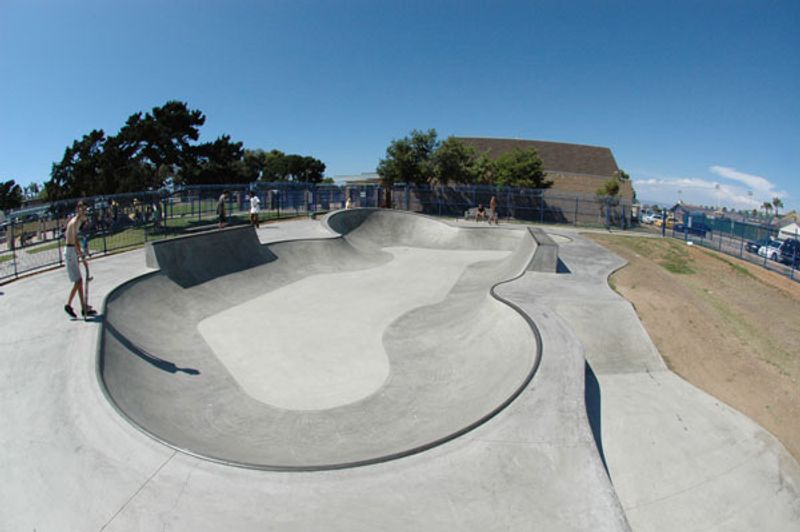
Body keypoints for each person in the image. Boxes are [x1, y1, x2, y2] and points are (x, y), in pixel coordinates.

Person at [63, 202, 96, 319]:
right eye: (82, 210)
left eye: (85, 210)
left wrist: (81, 255)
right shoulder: (74, 222)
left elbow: (76, 240)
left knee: (80, 281)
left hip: (72, 250)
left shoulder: (76, 223)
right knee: (78, 281)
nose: (84, 213)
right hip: (70, 251)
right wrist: (82, 256)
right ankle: (68, 305)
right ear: (78, 210)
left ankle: (83, 307)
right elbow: (74, 241)